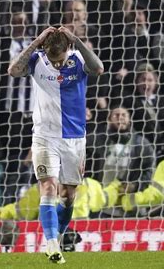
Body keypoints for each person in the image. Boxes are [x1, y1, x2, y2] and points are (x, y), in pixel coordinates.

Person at [8, 26, 103, 264]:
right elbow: (13, 70)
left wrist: (77, 41)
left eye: (60, 60)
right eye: (54, 60)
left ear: (68, 50)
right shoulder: (37, 59)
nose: (58, 65)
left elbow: (99, 68)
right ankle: (50, 243)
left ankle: (58, 238)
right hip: (44, 136)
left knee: (68, 196)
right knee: (48, 187)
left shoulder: (78, 59)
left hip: (74, 139)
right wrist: (37, 41)